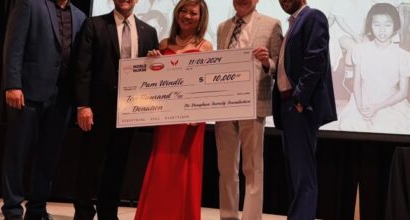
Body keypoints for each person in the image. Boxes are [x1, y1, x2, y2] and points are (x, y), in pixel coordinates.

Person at [72, 0, 159, 219]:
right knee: (88, 165)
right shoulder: (94, 24)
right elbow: (82, 67)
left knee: (117, 166)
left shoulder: (149, 32)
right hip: (96, 110)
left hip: (130, 111)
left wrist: (156, 64)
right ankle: (83, 212)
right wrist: (83, 105)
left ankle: (108, 212)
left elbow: (154, 74)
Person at [0, 0, 85, 219]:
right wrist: (12, 84)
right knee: (17, 153)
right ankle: (12, 209)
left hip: (62, 97)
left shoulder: (80, 16)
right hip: (27, 92)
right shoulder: (29, 4)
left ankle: (37, 208)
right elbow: (14, 44)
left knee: (48, 156)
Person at [132, 1, 212, 219]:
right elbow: (152, 80)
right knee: (162, 166)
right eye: (183, 11)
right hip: (166, 118)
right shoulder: (163, 43)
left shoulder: (205, 46)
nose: (187, 16)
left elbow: (206, 86)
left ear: (200, 18)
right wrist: (151, 63)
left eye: (193, 13)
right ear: (177, 14)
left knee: (186, 169)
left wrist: (200, 113)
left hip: (191, 120)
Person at [214, 0, 283, 219]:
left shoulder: (272, 24)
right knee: (226, 168)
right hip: (224, 105)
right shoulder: (223, 27)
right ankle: (228, 216)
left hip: (253, 105)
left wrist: (266, 63)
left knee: (253, 168)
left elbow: (279, 65)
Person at [338, 3, 410, 135]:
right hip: (363, 100)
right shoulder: (360, 50)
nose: (382, 30)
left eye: (387, 25)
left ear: (395, 26)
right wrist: (359, 106)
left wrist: (377, 107)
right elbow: (357, 82)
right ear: (370, 25)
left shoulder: (403, 56)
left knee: (385, 128)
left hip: (389, 103)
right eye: (377, 25)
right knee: (349, 125)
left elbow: (403, 92)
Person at [273, 0, 337, 219]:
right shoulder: (292, 24)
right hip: (287, 105)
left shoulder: (313, 17)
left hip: (298, 104)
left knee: (303, 173)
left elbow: (315, 59)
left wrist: (300, 98)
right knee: (294, 172)